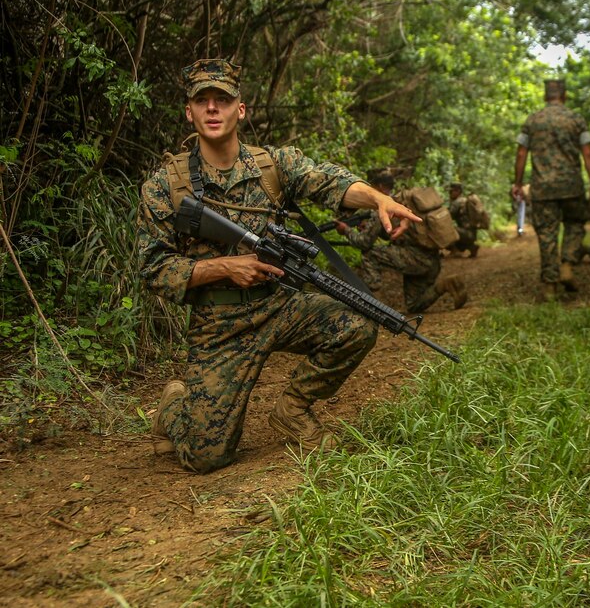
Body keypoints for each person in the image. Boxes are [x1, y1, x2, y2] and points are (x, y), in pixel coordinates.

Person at [139, 59, 421, 474]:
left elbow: (330, 182)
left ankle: (292, 409)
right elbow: (154, 268)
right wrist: (224, 268)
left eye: (222, 99)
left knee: (357, 323)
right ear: (190, 112)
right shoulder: (165, 185)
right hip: (219, 323)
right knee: (206, 458)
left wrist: (377, 198)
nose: (212, 109)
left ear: (241, 109)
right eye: (202, 101)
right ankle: (174, 408)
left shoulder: (272, 164)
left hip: (278, 304)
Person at [511, 79, 590, 300]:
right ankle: (567, 265)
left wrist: (518, 183)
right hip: (572, 186)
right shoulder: (575, 119)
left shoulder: (533, 120)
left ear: (545, 96)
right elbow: (587, 152)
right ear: (564, 95)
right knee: (575, 225)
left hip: (543, 188)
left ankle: (550, 285)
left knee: (547, 234)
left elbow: (521, 153)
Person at [337, 172, 468, 313]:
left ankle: (366, 295)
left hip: (415, 259)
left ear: (380, 186)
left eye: (371, 187)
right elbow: (397, 235)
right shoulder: (404, 202)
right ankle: (445, 284)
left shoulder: (383, 206)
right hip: (431, 260)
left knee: (370, 254)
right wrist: (372, 229)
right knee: (414, 305)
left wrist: (346, 231)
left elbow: (363, 242)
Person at [446, 182, 483, 258]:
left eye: (452, 191)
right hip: (471, 233)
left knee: (447, 230)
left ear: (458, 191)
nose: (450, 193)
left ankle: (455, 250)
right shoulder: (464, 200)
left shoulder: (457, 202)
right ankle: (472, 247)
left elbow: (448, 216)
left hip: (466, 233)